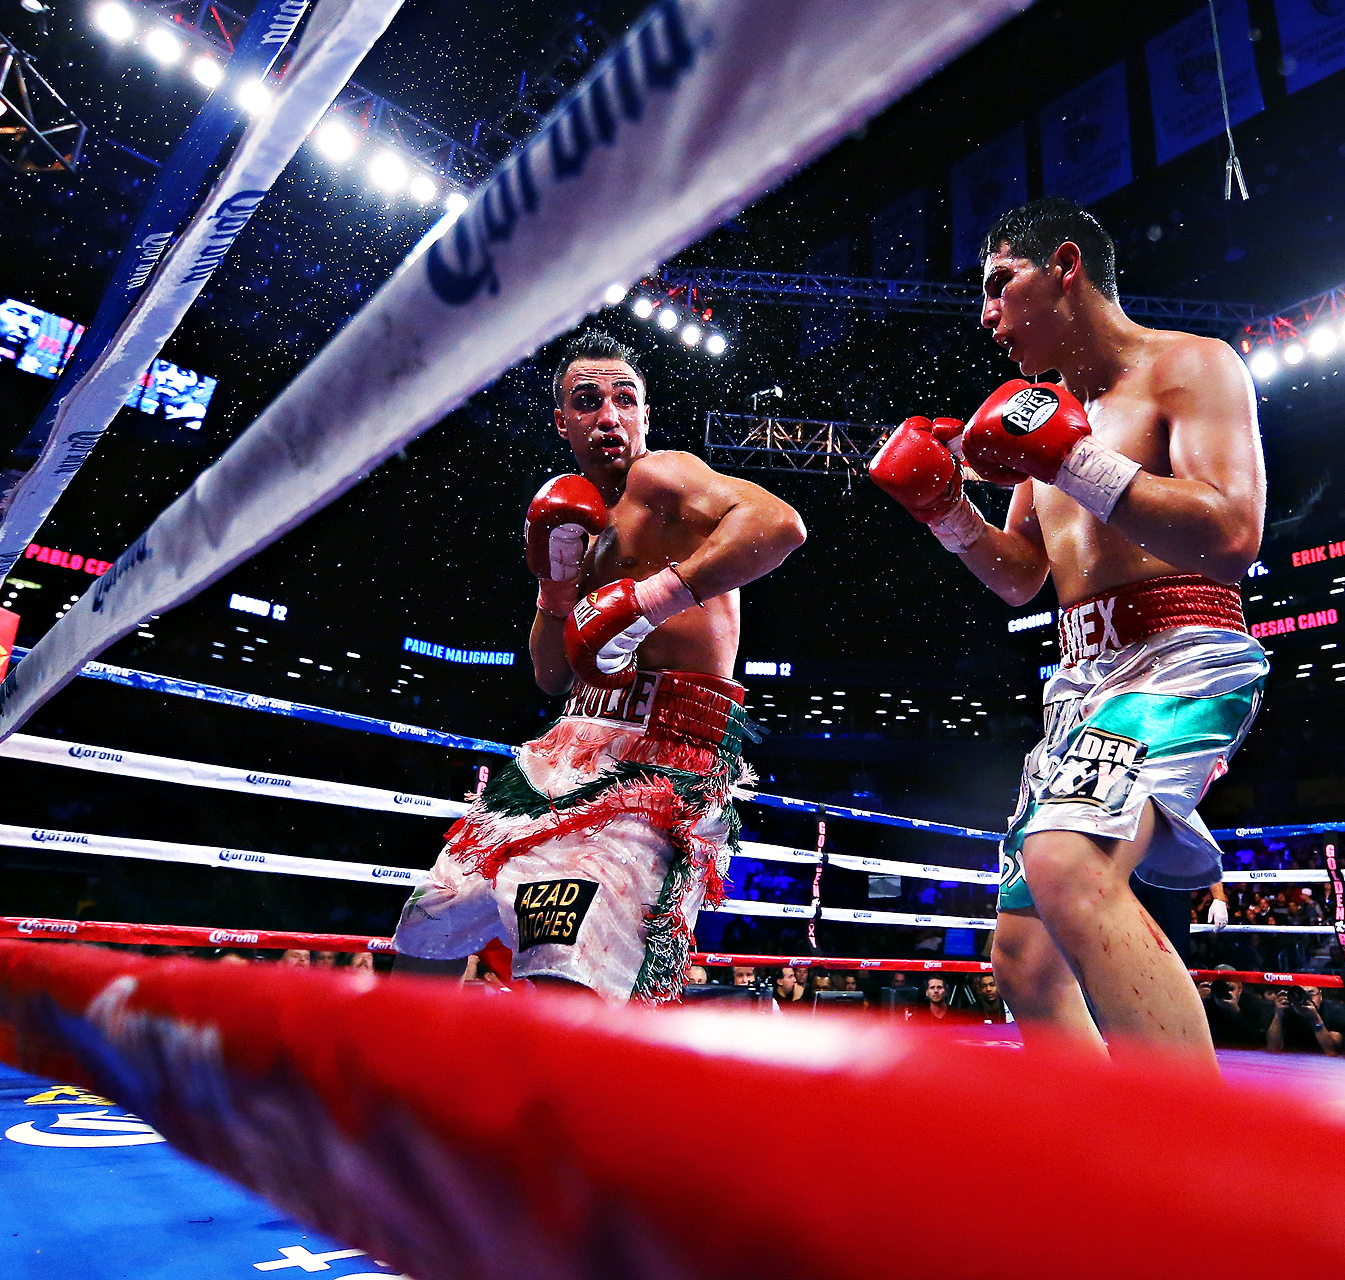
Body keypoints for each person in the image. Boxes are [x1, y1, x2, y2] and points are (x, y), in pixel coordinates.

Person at [870, 198, 1266, 1067]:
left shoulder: (1191, 367)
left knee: (1069, 865)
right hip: (1080, 686)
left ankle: (1198, 1165)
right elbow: (1020, 575)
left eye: (999, 284)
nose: (986, 316)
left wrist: (1070, 457)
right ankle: (1106, 1159)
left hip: (1179, 656)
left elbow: (1233, 536)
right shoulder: (1043, 411)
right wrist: (946, 512)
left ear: (1065, 266)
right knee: (1022, 956)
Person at [392, 329, 806, 1002]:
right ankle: (403, 1068)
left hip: (663, 752)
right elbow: (551, 677)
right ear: (563, 421)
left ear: (645, 415)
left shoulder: (662, 476)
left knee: (564, 951)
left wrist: (651, 597)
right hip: (571, 742)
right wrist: (557, 589)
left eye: (624, 399)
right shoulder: (572, 517)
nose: (608, 416)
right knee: (432, 913)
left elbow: (780, 525)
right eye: (587, 402)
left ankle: (580, 1095)